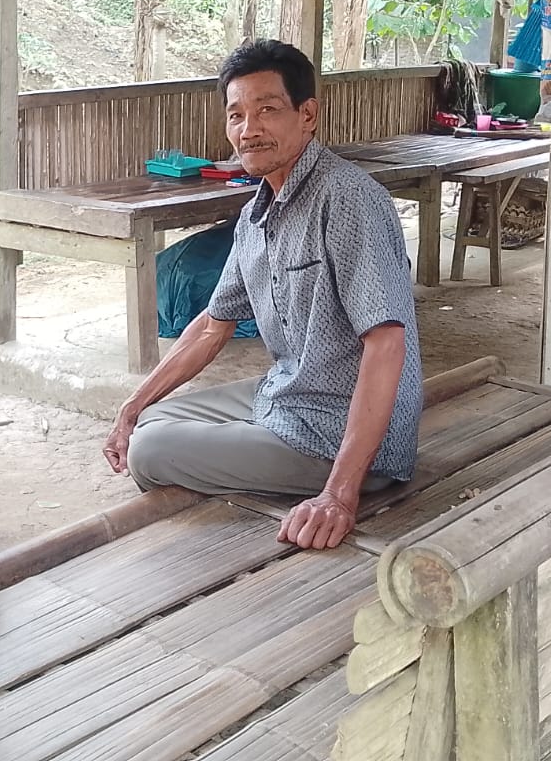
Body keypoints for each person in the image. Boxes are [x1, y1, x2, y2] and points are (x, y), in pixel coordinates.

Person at [103, 40, 422, 551]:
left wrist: (338, 495)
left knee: (150, 451)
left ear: (307, 115)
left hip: (335, 433)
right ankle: (237, 471)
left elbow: (387, 344)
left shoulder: (348, 198)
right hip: (288, 396)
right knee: (151, 420)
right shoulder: (256, 215)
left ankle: (277, 502)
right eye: (236, 115)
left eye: (267, 110)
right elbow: (213, 325)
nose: (248, 129)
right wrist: (131, 405)